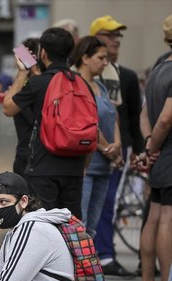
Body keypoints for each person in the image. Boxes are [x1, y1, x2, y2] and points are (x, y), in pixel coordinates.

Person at [3, 27, 89, 219]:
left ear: (43, 53)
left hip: (43, 167)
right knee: (70, 227)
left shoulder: (39, 83)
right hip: (74, 167)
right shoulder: (82, 83)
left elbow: (8, 107)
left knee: (41, 226)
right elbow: (92, 128)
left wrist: (23, 72)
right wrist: (84, 165)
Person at [89, 15, 145, 278]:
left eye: (118, 36)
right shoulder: (85, 76)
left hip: (118, 147)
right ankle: (98, 254)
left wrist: (137, 149)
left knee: (108, 201)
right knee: (90, 202)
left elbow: (132, 117)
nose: (115, 40)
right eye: (109, 34)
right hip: (88, 146)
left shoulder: (127, 76)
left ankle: (104, 252)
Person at [132, 22, 172, 281]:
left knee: (154, 216)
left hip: (158, 154)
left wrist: (148, 145)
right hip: (168, 153)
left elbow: (145, 113)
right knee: (168, 220)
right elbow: (165, 120)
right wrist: (155, 146)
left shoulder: (160, 66)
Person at [73, 36, 123, 238]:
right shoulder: (76, 84)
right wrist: (107, 149)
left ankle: (86, 267)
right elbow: (88, 123)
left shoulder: (100, 87)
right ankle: (74, 268)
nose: (105, 62)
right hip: (87, 165)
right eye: (101, 57)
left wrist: (117, 144)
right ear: (85, 58)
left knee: (92, 226)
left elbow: (113, 116)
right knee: (80, 223)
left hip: (104, 165)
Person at [10, 38, 41, 178]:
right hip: (27, 157)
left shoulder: (29, 85)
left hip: (32, 157)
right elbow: (8, 108)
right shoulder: (24, 87)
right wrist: (25, 71)